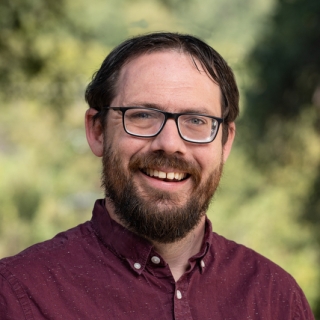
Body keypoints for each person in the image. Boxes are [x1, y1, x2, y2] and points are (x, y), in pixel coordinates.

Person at [0, 32, 315, 319]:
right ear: (97, 131)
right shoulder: (17, 297)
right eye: (143, 116)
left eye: (196, 120)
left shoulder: (277, 300)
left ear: (225, 142)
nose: (170, 144)